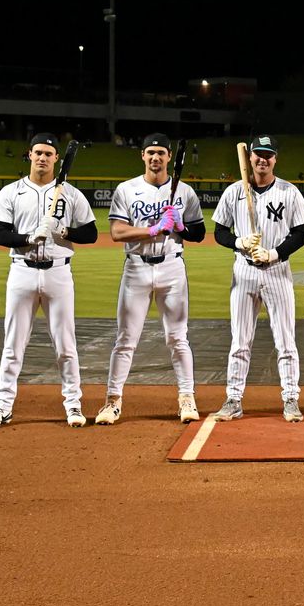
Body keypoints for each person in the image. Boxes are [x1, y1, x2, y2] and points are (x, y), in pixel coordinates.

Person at [0, 133, 98, 428]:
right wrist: (28, 237)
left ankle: (73, 405)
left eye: (49, 153)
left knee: (66, 345)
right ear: (29, 155)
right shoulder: (11, 192)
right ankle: (2, 406)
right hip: (21, 270)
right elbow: (0, 235)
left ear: (56, 158)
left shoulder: (70, 194)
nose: (43, 158)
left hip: (59, 272)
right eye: (38, 153)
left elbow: (91, 234)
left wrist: (65, 233)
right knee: (13, 344)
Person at [94, 134, 206, 427]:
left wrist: (181, 225)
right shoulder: (127, 189)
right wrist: (154, 230)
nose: (155, 158)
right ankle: (113, 401)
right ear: (142, 156)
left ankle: (186, 398)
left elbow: (198, 233)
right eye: (150, 153)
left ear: (169, 156)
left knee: (178, 338)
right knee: (125, 339)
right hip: (136, 269)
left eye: (160, 153)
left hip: (172, 268)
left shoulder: (185, 192)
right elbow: (117, 232)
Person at [211, 134, 304, 422]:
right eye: (258, 154)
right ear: (250, 157)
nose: (262, 159)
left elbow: (301, 233)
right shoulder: (234, 192)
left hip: (277, 272)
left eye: (268, 155)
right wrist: (238, 242)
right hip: (244, 273)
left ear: (275, 159)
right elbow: (219, 232)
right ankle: (233, 398)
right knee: (240, 340)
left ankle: (291, 398)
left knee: (285, 340)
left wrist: (275, 253)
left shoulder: (289, 192)